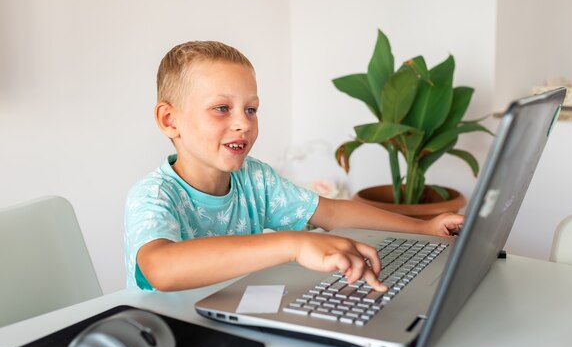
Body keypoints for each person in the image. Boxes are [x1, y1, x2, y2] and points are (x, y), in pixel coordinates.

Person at [124, 40, 463, 293]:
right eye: (222, 109)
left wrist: (424, 228)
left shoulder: (254, 179)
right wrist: (294, 244)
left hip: (229, 319)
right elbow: (160, 268)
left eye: (251, 109)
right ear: (170, 120)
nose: (243, 123)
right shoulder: (153, 195)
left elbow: (332, 213)